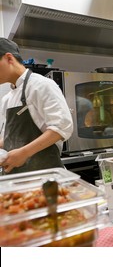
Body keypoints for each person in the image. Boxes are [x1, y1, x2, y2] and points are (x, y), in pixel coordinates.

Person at [0, 38, 73, 174]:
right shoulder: (7, 99)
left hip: (45, 176)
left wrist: (24, 153)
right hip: (17, 178)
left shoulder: (41, 85)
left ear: (9, 58)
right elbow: (9, 137)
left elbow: (61, 127)